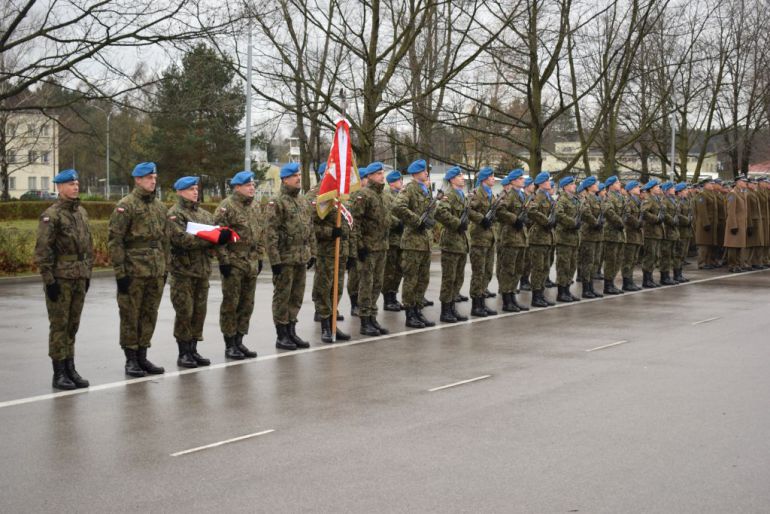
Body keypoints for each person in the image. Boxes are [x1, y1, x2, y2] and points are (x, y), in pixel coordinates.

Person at [34, 169, 94, 390]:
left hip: (79, 276)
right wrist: (49, 281)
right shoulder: (52, 215)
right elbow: (43, 250)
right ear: (59, 187)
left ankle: (70, 368)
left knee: (72, 326)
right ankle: (59, 373)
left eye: (76, 183)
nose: (75, 186)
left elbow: (89, 246)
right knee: (59, 326)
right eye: (70, 183)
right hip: (61, 278)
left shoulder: (81, 213)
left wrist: (88, 273)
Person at [108, 162, 168, 377]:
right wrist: (120, 273)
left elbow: (165, 241)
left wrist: (165, 267)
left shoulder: (160, 207)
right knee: (130, 315)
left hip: (155, 270)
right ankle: (131, 359)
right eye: (149, 177)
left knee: (149, 314)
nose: (153, 181)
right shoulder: (126, 205)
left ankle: (143, 356)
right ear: (138, 180)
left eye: (155, 177)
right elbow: (115, 241)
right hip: (134, 270)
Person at [167, 176, 222, 368]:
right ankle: (183, 352)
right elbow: (181, 240)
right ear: (180, 192)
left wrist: (218, 238)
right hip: (183, 271)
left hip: (202, 270)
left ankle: (193, 349)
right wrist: (209, 240)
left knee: (199, 312)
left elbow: (214, 234)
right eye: (191, 189)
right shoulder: (175, 214)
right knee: (185, 311)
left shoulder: (205, 215)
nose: (195, 192)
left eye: (196, 188)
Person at [264, 162, 317, 350]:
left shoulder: (302, 201)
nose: (298, 178)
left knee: (296, 296)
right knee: (282, 296)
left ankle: (292, 330)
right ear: (285, 179)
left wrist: (313, 252)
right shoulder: (277, 202)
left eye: (299, 175)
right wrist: (275, 260)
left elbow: (309, 228)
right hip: (285, 258)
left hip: (301, 257)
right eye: (294, 176)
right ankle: (282, 334)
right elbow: (271, 233)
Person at [214, 170, 264, 359]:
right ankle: (229, 343)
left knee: (246, 304)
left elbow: (260, 233)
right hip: (234, 262)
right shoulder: (226, 207)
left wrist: (259, 257)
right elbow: (218, 237)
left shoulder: (255, 206)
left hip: (250, 262)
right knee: (231, 304)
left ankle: (239, 340)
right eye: (248, 185)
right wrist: (224, 261)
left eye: (253, 185)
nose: (252, 188)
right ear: (237, 187)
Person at [307, 163, 352, 343]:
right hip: (325, 251)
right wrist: (329, 233)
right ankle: (325, 326)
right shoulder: (316, 195)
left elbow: (349, 224)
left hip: (341, 251)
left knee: (337, 289)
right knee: (324, 289)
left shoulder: (340, 195)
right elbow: (309, 225)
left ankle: (333, 324)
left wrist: (351, 252)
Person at [392, 159, 436, 328]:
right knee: (411, 279)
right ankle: (410, 314)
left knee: (422, 279)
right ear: (417, 173)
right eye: (425, 171)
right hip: (412, 242)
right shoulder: (409, 189)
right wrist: (417, 221)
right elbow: (397, 206)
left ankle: (418, 310)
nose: (427, 173)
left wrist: (429, 222)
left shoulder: (426, 190)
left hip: (425, 241)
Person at [352, 162, 391, 336]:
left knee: (377, 284)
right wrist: (360, 246)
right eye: (378, 173)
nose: (382, 176)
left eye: (382, 173)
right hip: (368, 248)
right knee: (366, 285)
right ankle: (364, 320)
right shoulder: (363, 195)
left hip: (381, 246)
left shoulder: (382, 195)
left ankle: (373, 317)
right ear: (369, 176)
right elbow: (355, 222)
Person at [434, 166, 470, 322]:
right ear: (452, 179)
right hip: (450, 241)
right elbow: (440, 212)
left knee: (458, 277)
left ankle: (452, 307)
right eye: (459, 175)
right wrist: (457, 223)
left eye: (462, 175)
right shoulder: (449, 195)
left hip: (461, 241)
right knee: (449, 278)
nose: (462, 177)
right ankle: (445, 310)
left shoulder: (462, 195)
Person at [495, 168, 530, 312]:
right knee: (508, 270)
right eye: (521, 179)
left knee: (517, 270)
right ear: (514, 181)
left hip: (521, 238)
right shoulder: (509, 195)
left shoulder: (521, 195)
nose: (524, 181)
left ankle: (513, 297)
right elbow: (500, 210)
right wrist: (514, 219)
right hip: (510, 238)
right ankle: (506, 300)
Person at [467, 166, 498, 317]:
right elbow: (468, 210)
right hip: (479, 238)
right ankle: (476, 305)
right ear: (485, 178)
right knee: (478, 273)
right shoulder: (477, 193)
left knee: (487, 272)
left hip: (490, 238)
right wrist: (481, 219)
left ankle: (482, 302)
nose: (493, 178)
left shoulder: (491, 194)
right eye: (491, 176)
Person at [527, 171, 556, 308]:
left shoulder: (548, 196)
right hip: (538, 238)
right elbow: (531, 211)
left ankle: (541, 294)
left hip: (547, 237)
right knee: (538, 268)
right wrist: (546, 221)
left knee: (544, 268)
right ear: (543, 183)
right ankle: (536, 297)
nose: (549, 183)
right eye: (548, 181)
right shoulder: (538, 196)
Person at [553, 175, 581, 302]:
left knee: (571, 266)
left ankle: (567, 290)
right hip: (564, 237)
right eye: (572, 184)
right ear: (566, 187)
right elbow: (559, 215)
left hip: (574, 237)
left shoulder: (575, 199)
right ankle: (561, 292)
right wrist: (572, 223)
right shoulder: (562, 200)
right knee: (563, 266)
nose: (575, 186)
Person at [382, 170, 405, 311]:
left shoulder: (401, 195)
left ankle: (394, 295)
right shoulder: (387, 196)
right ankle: (387, 299)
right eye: (398, 181)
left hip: (401, 239)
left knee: (399, 270)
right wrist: (398, 223)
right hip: (391, 239)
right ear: (391, 183)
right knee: (389, 270)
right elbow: (387, 214)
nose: (401, 183)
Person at [577, 177, 603, 298]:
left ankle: (591, 287)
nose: (597, 185)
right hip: (588, 235)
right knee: (587, 262)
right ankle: (586, 289)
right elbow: (585, 212)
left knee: (595, 262)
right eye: (595, 184)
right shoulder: (585, 198)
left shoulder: (597, 198)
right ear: (589, 187)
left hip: (597, 235)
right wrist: (595, 223)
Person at [601, 176, 626, 294]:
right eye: (617, 182)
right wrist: (620, 222)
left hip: (620, 233)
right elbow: (608, 211)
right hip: (611, 233)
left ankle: (612, 282)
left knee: (618, 260)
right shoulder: (609, 197)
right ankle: (608, 285)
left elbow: (625, 211)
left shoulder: (620, 196)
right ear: (611, 185)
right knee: (611, 260)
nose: (619, 184)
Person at [640, 179, 664, 288]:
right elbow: (644, 212)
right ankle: (646, 280)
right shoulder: (649, 199)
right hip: (650, 232)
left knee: (655, 256)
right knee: (650, 256)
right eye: (657, 187)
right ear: (651, 189)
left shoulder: (657, 199)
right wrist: (655, 219)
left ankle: (650, 278)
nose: (659, 188)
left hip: (657, 232)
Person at [621, 180, 644, 291]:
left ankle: (630, 281)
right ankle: (626, 282)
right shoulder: (628, 201)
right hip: (630, 234)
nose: (639, 189)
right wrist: (637, 223)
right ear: (631, 190)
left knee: (633, 259)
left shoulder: (638, 201)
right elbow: (627, 215)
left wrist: (641, 223)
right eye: (637, 187)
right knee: (628, 259)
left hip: (637, 234)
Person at [724, 176, 749, 272]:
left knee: (739, 246)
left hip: (741, 224)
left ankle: (738, 265)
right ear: (738, 182)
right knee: (733, 246)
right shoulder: (732, 194)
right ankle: (732, 265)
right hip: (735, 224)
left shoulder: (742, 193)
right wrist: (733, 225)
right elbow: (731, 211)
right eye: (744, 181)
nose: (745, 183)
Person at [694, 178, 720, 269]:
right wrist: (705, 223)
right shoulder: (702, 195)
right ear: (705, 185)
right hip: (704, 224)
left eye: (712, 183)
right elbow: (702, 211)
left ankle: (708, 262)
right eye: (710, 184)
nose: (712, 185)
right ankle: (701, 263)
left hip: (712, 223)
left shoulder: (711, 194)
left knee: (709, 244)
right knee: (703, 245)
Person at [673, 183, 692, 282]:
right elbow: (678, 215)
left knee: (683, 254)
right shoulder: (677, 201)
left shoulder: (687, 200)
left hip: (687, 230)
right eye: (685, 190)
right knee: (678, 253)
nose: (687, 192)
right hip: (680, 229)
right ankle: (676, 274)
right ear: (679, 192)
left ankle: (680, 273)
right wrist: (687, 220)